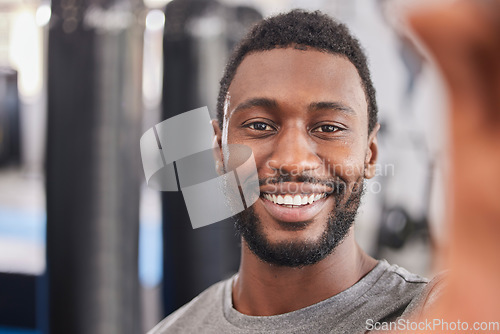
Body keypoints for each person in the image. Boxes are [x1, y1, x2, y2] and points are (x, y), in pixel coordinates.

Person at [148, 9, 440, 334]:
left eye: (328, 127)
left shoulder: (436, 316)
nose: (292, 160)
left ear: (370, 155)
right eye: (260, 125)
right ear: (219, 150)